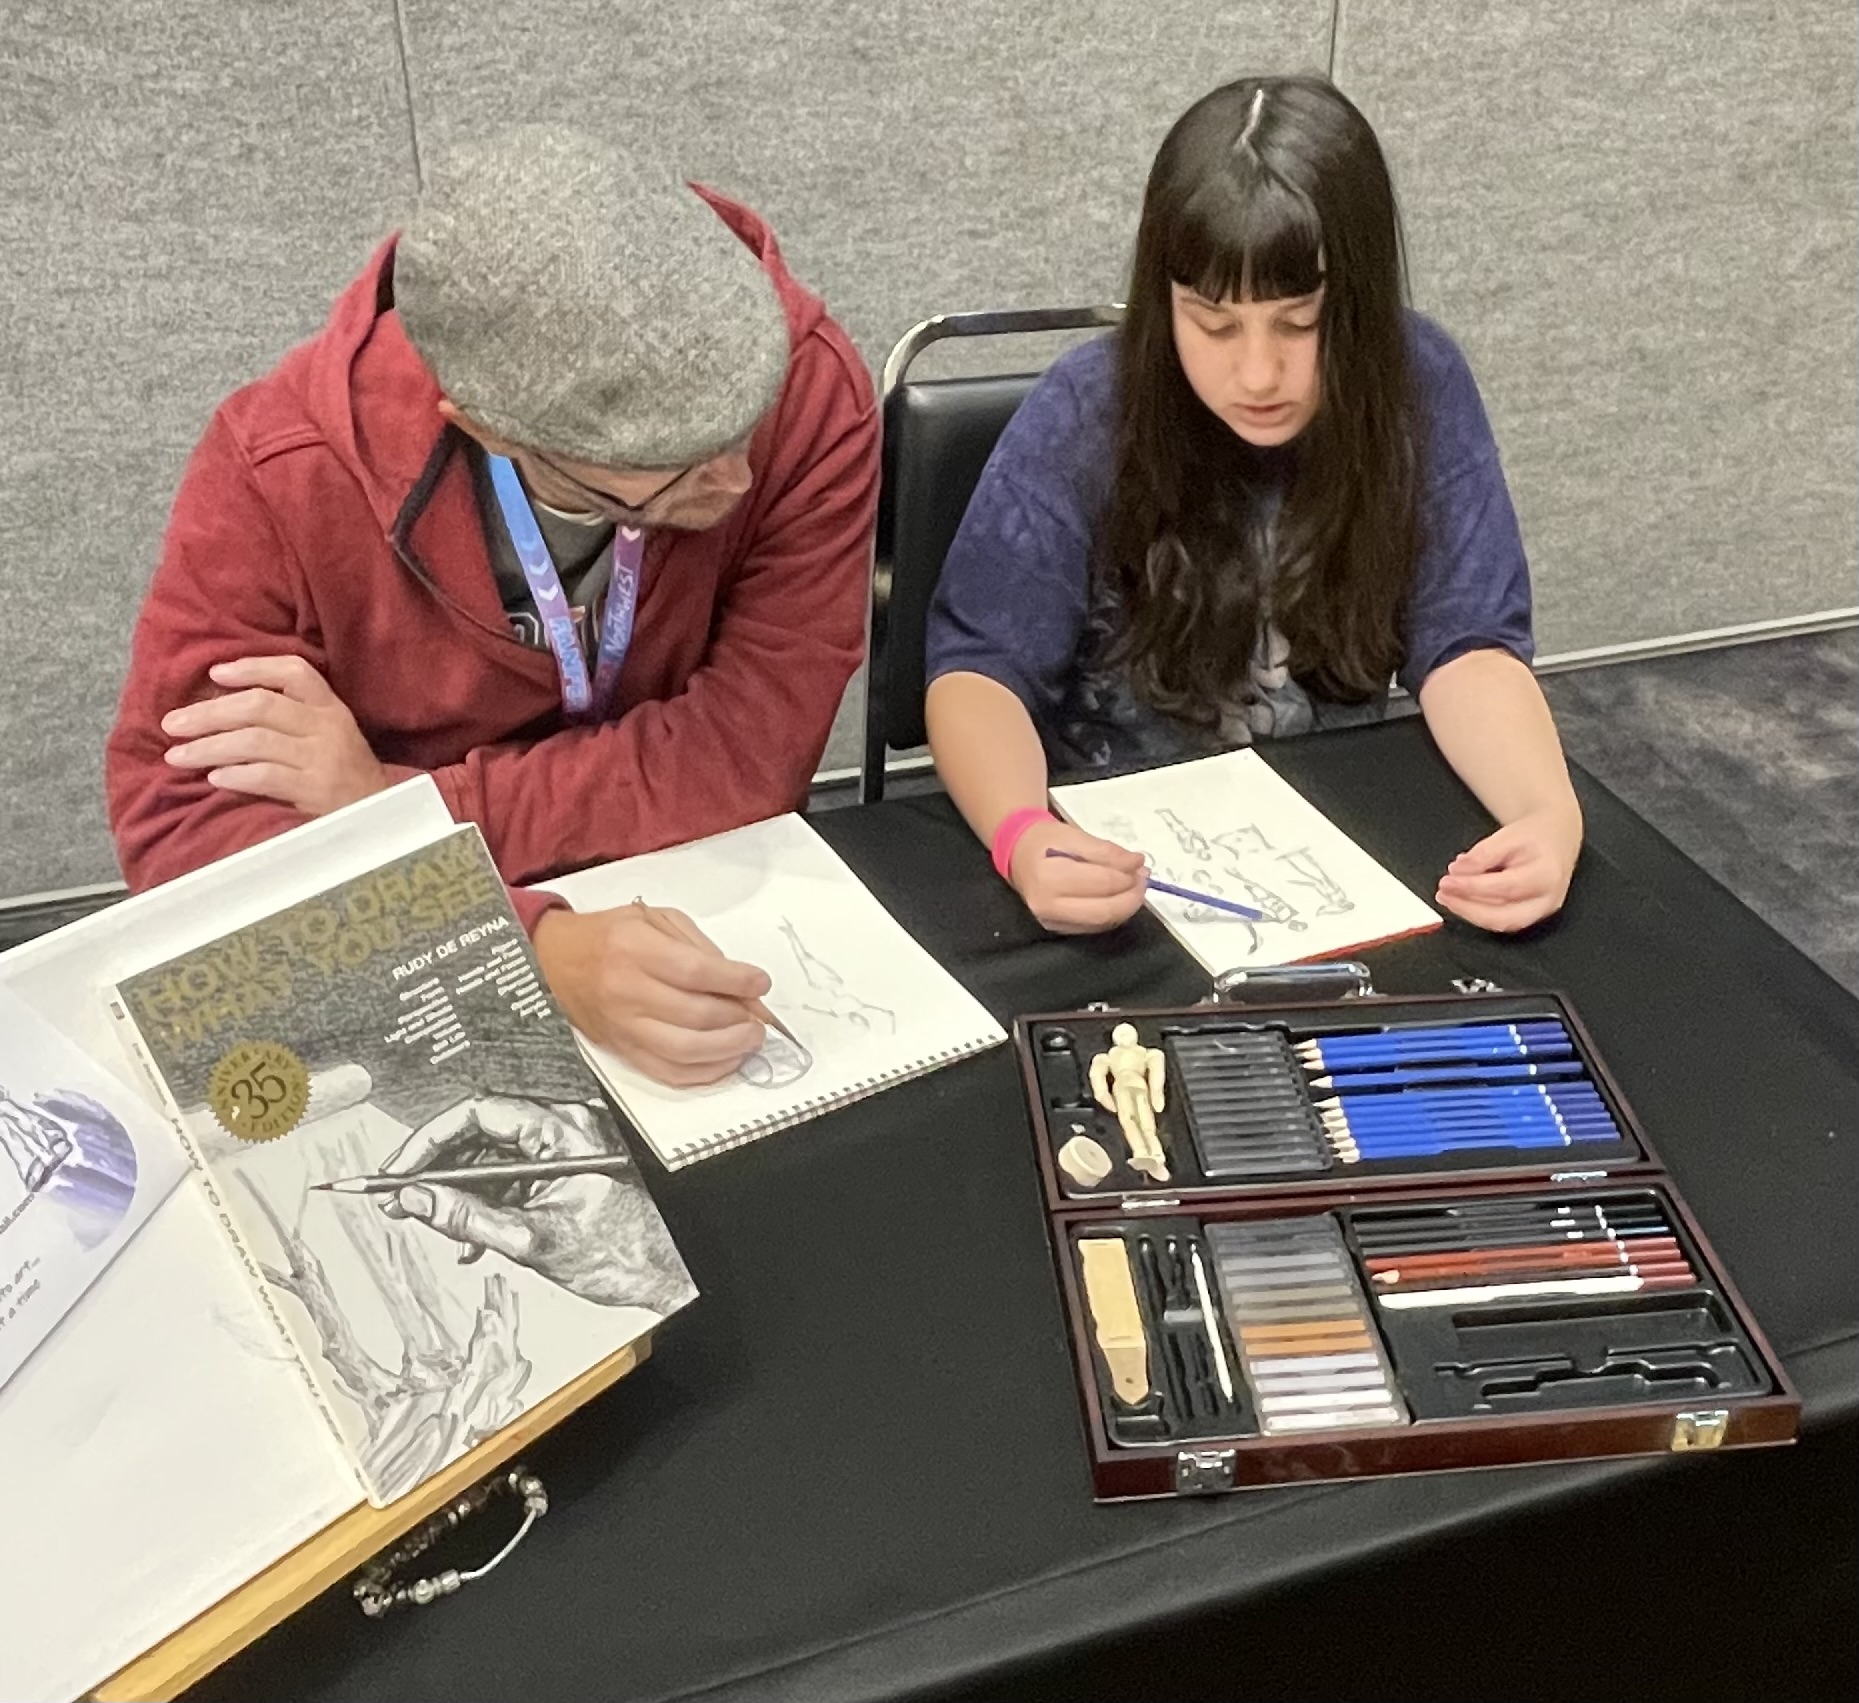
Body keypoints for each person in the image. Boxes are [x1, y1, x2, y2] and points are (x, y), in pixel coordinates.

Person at [105, 127, 880, 1087]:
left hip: (690, 894)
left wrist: (392, 808)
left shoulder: (807, 384)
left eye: (742, 425)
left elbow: (749, 752)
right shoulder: (278, 473)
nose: (736, 481)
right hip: (426, 970)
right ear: (486, 429)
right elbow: (182, 836)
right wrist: (527, 943)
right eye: (665, 472)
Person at [924, 75, 1582, 938]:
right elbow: (979, 672)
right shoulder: (1086, 412)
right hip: (1115, 858)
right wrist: (1020, 832)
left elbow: (1468, 649)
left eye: (1300, 323)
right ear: (1164, 301)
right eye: (1213, 324)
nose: (1258, 373)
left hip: (1331, 850)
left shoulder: (1418, 387)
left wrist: (1545, 813)